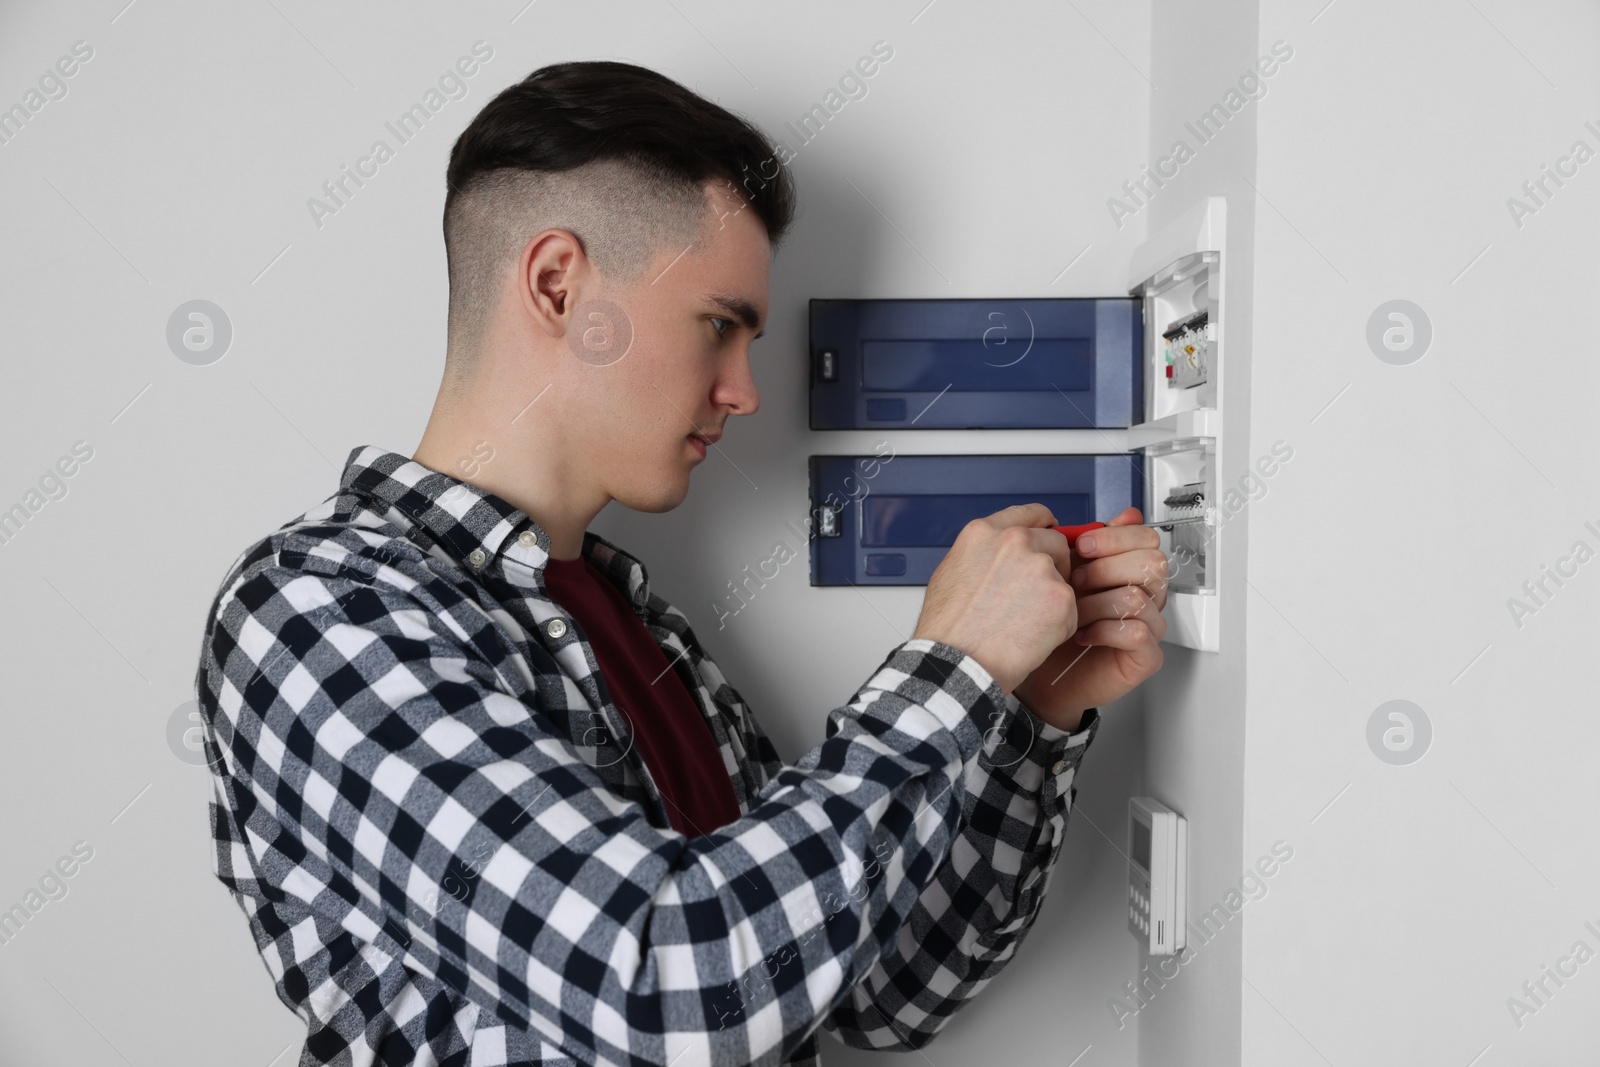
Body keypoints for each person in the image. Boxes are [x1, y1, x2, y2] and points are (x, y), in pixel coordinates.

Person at [193, 60, 1169, 1067]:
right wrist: (954, 669)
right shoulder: (316, 609)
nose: (745, 391)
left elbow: (881, 994)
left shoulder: (641, 626)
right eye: (718, 324)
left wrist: (1023, 713)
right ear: (558, 284)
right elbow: (673, 991)